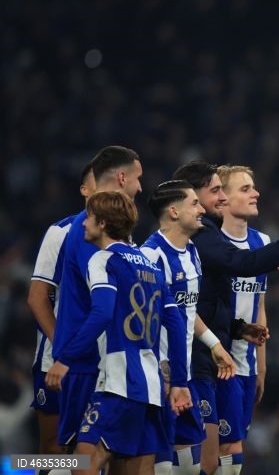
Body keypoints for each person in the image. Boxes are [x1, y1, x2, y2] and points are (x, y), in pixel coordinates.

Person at [171, 160, 279, 475]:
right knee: (164, 455)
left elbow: (221, 306)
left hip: (229, 362)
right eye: (243, 188)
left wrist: (258, 359)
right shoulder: (188, 243)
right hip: (187, 364)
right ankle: (48, 465)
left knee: (221, 451)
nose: (256, 194)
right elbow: (184, 306)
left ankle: (53, 465)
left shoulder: (251, 241)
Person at [46, 190, 192, 475]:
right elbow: (176, 325)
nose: (84, 224)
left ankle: (22, 464)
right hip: (150, 390)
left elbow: (101, 312)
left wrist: (65, 359)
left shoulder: (103, 260)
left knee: (78, 464)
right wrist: (178, 381)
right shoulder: (151, 266)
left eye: (89, 218)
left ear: (102, 223)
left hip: (118, 385)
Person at [140, 180, 237, 475]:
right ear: (173, 211)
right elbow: (145, 321)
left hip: (183, 373)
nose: (201, 208)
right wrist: (161, 369)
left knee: (190, 466)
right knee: (129, 461)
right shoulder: (151, 255)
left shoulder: (192, 252)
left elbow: (187, 312)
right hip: (158, 375)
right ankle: (32, 466)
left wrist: (214, 344)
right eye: (194, 203)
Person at [50, 145, 144, 448]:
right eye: (137, 178)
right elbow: (101, 308)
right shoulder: (88, 230)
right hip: (85, 364)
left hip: (102, 365)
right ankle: (17, 467)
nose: (140, 186)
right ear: (120, 177)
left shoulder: (112, 231)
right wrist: (67, 357)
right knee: (73, 458)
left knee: (97, 457)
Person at [26, 162, 95, 458]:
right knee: (54, 449)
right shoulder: (61, 232)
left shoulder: (125, 241)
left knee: (92, 449)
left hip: (98, 363)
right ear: (85, 190)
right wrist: (63, 347)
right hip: (55, 360)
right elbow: (37, 297)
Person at [214, 165, 272, 475]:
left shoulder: (261, 241)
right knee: (225, 452)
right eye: (245, 188)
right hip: (218, 366)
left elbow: (259, 303)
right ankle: (39, 467)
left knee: (229, 451)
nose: (255, 193)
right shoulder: (208, 243)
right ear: (222, 198)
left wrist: (261, 366)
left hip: (247, 366)